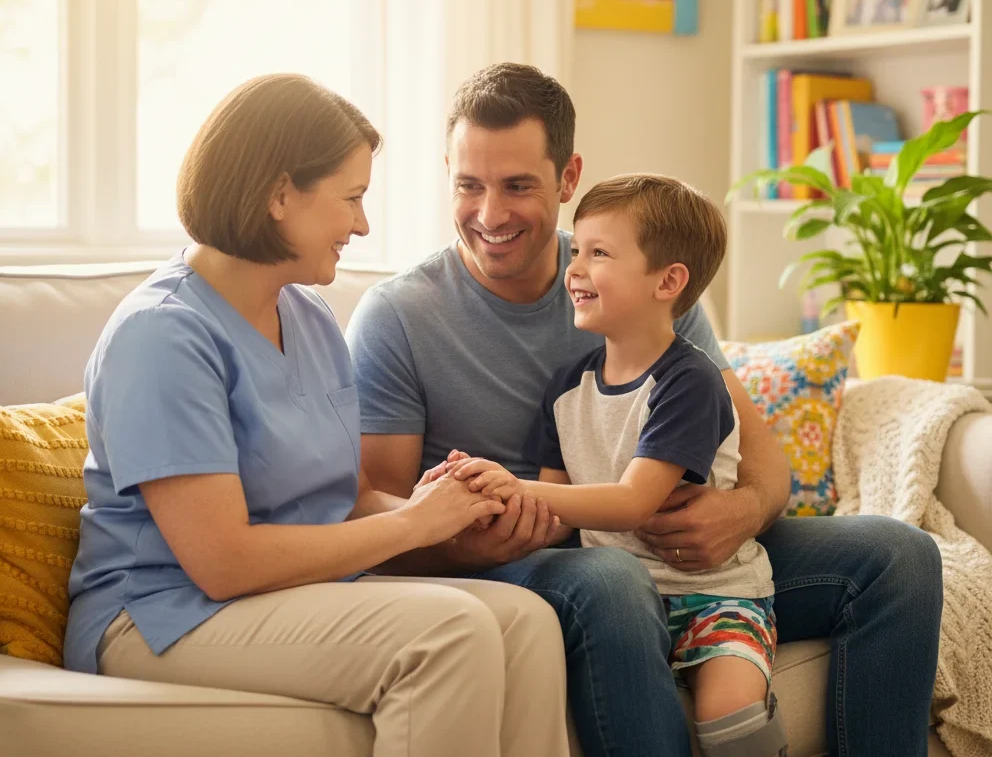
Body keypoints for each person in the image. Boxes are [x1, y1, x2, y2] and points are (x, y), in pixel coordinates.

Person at [346, 62, 943, 757]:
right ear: (446, 171)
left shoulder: (634, 278)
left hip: (663, 545)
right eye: (468, 185)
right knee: (610, 577)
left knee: (899, 555)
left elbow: (764, 462)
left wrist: (742, 512)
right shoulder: (398, 315)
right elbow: (368, 502)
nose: (490, 214)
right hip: (538, 558)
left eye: (517, 186)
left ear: (568, 179)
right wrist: (460, 542)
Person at [63, 73, 571, 757]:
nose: (361, 224)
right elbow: (222, 562)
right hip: (158, 612)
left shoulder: (308, 315)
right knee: (450, 631)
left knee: (526, 621)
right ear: (280, 196)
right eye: (352, 198)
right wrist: (413, 526)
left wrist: (444, 514)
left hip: (280, 592)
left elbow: (347, 498)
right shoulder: (162, 335)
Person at [448, 174, 787, 756]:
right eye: (577, 250)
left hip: (713, 598)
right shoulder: (565, 390)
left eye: (599, 253)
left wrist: (516, 481)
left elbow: (634, 501)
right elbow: (554, 516)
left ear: (668, 281)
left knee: (729, 707)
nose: (574, 268)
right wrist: (488, 497)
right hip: (625, 606)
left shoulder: (690, 381)